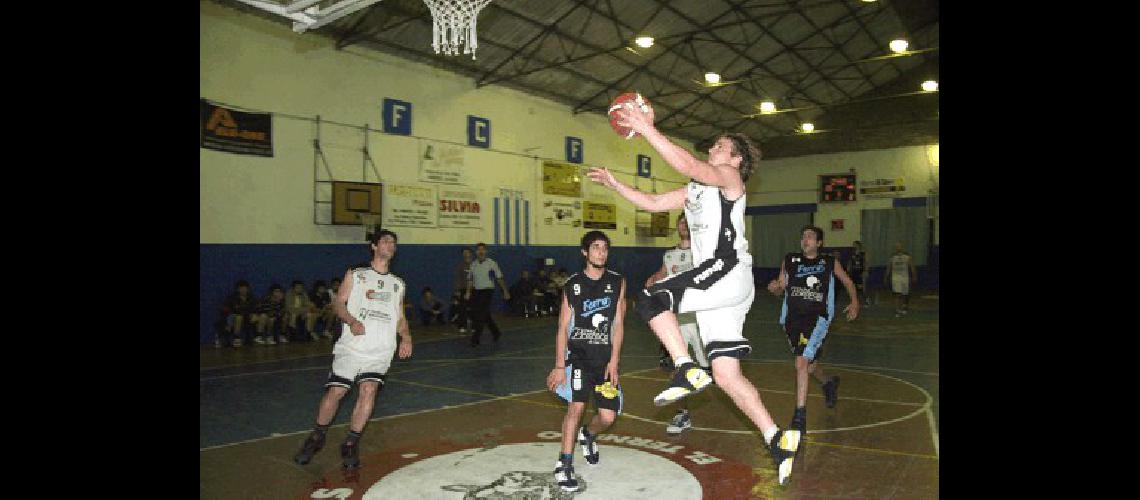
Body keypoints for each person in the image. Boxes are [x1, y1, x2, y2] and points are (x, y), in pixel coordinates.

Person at [588, 103, 801, 485]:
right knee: (725, 373)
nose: (713, 149)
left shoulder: (730, 179)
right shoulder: (696, 191)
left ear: (735, 159)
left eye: (720, 146)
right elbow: (653, 203)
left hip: (726, 271)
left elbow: (690, 165)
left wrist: (646, 127)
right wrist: (615, 184)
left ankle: (685, 368)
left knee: (650, 297)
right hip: (727, 289)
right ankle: (777, 439)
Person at [293, 229, 413, 470]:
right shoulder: (357, 274)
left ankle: (350, 443)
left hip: (381, 350)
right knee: (336, 391)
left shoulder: (398, 284)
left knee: (369, 391)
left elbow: (399, 316)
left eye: (394, 243)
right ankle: (316, 437)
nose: (391, 245)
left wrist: (406, 336)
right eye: (386, 241)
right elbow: (338, 302)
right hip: (352, 347)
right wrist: (350, 320)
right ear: (374, 246)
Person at [545, 231, 626, 493]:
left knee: (607, 417)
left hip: (604, 362)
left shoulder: (617, 282)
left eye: (604, 248)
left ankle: (588, 435)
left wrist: (614, 361)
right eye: (595, 247)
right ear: (584, 252)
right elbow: (562, 327)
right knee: (575, 409)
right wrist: (560, 365)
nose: (601, 252)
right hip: (578, 359)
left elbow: (618, 324)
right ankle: (564, 464)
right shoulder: (573, 285)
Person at [767, 225, 860, 435]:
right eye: (803, 237)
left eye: (810, 237)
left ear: (819, 243)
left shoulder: (828, 262)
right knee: (808, 365)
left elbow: (847, 281)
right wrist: (776, 288)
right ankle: (828, 383)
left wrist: (855, 302)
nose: (805, 240)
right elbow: (781, 286)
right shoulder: (790, 260)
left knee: (800, 361)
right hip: (791, 319)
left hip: (817, 317)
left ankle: (800, 415)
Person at [644, 212, 705, 434]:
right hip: (677, 320)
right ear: (677, 226)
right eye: (681, 221)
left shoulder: (703, 253)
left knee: (716, 370)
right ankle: (682, 414)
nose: (684, 224)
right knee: (678, 370)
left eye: (688, 221)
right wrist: (651, 281)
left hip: (700, 320)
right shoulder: (669, 255)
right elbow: (660, 275)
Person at [465, 243, 511, 347]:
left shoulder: (492, 263)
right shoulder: (473, 264)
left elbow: (499, 278)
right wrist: (468, 292)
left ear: (486, 251)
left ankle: (475, 338)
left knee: (480, 315)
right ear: (476, 252)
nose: (481, 252)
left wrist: (505, 291)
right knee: (485, 315)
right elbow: (470, 279)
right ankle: (496, 332)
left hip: (487, 291)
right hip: (476, 291)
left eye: (483, 250)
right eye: (478, 250)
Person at [220, 280, 256, 347]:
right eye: (241, 288)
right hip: (234, 318)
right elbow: (225, 309)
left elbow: (256, 308)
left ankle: (256, 337)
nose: (243, 290)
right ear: (237, 289)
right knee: (239, 317)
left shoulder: (251, 298)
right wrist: (231, 316)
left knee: (257, 317)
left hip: (247, 318)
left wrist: (254, 314)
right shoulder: (232, 298)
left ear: (248, 289)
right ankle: (236, 338)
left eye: (245, 288)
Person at [885, 242, 917, 317]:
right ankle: (897, 309)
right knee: (896, 293)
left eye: (899, 246)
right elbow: (889, 267)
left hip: (905, 278)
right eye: (897, 246)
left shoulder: (907, 256)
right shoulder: (892, 257)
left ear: (902, 247)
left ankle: (904, 306)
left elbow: (912, 266)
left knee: (905, 294)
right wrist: (886, 276)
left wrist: (914, 275)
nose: (898, 248)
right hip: (896, 278)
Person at [848, 241, 871, 306]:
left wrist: (866, 271)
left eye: (855, 245)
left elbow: (866, 262)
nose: (854, 246)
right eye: (853, 245)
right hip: (854, 272)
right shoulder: (852, 254)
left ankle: (867, 299)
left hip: (861, 272)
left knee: (863, 288)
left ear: (858, 245)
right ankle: (856, 302)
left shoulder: (863, 253)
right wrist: (848, 269)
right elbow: (850, 262)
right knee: (854, 289)